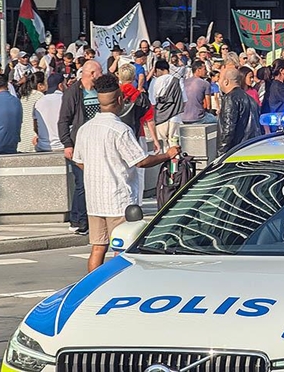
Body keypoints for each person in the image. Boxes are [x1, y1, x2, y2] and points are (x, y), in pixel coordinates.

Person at [73, 75, 179, 272]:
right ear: (120, 99)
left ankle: (92, 286)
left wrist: (98, 170)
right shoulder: (120, 130)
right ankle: (117, 282)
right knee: (121, 249)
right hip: (118, 198)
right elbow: (141, 161)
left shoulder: (84, 129)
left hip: (95, 199)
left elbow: (79, 161)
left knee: (98, 247)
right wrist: (167, 154)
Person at [59, 60, 103, 234]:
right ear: (91, 73)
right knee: (82, 183)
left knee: (93, 182)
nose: (102, 74)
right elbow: (63, 119)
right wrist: (67, 144)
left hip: (97, 142)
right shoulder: (73, 93)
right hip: (79, 144)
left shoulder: (99, 90)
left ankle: (88, 217)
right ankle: (78, 220)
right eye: (99, 72)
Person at [217, 68, 262, 155]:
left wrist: (221, 155)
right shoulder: (250, 99)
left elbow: (228, 129)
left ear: (226, 81)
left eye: (220, 78)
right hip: (251, 148)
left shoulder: (231, 98)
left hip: (237, 151)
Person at [149, 59, 186, 151]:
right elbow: (184, 100)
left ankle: (165, 162)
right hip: (175, 116)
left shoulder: (154, 82)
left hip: (160, 117)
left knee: (163, 144)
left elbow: (152, 102)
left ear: (158, 69)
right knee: (174, 142)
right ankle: (175, 163)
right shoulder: (178, 81)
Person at [33, 73, 66, 152]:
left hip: (43, 146)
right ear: (60, 85)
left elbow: (35, 126)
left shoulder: (39, 102)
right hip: (63, 145)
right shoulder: (65, 99)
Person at [17, 72, 46, 153]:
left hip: (23, 138)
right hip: (35, 138)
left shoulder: (24, 96)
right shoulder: (40, 97)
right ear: (40, 85)